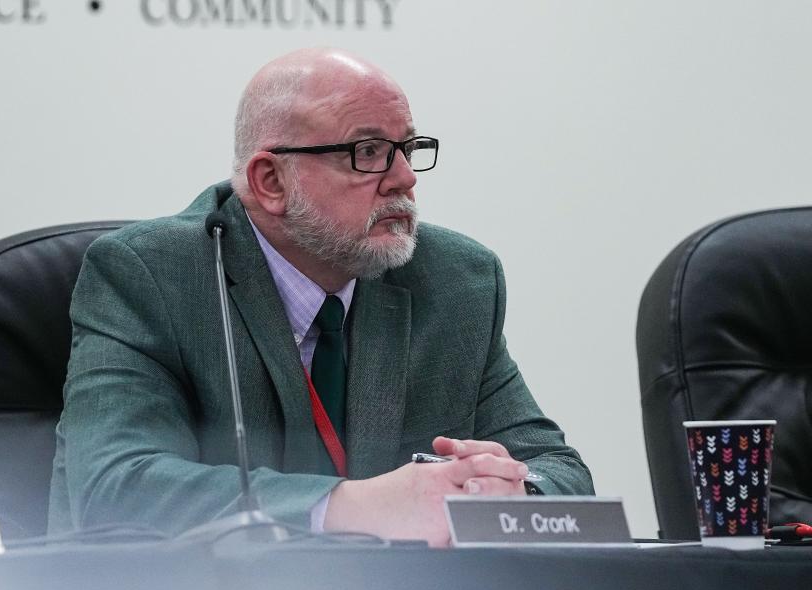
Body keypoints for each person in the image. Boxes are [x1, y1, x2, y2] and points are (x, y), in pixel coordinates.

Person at [47, 48, 593, 547]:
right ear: (271, 182)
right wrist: (351, 506)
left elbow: (558, 470)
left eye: (408, 148)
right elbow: (114, 488)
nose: (404, 178)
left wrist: (511, 494)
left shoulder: (457, 281)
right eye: (369, 151)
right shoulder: (151, 275)